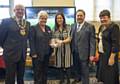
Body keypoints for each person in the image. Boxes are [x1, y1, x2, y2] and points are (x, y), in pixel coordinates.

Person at [0, 4, 30, 84]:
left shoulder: (27, 23)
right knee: (10, 77)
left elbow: (26, 38)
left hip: (22, 55)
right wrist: (8, 47)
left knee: (21, 77)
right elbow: (1, 38)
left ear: (24, 12)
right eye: (18, 9)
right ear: (14, 10)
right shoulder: (6, 21)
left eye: (22, 10)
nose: (20, 11)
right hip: (10, 54)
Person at [70, 9, 96, 84]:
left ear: (84, 16)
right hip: (74, 52)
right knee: (76, 68)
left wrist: (92, 54)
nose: (79, 17)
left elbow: (92, 42)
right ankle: (78, 79)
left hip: (85, 53)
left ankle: (85, 82)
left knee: (85, 71)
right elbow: (71, 38)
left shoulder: (90, 26)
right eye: (78, 15)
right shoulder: (73, 25)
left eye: (81, 15)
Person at [96, 9, 119, 84]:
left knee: (110, 76)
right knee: (103, 75)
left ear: (109, 17)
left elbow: (116, 44)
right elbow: (100, 40)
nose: (102, 19)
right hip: (102, 54)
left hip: (110, 55)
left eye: (104, 17)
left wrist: (112, 57)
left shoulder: (114, 27)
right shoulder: (101, 27)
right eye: (101, 18)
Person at [29, 11, 53, 84]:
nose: (43, 20)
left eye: (45, 18)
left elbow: (50, 40)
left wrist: (53, 44)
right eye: (42, 18)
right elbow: (31, 41)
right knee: (37, 73)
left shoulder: (48, 28)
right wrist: (33, 53)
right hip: (37, 55)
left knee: (45, 71)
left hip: (46, 54)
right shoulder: (33, 28)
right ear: (38, 18)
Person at [50, 12, 72, 84]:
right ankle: (61, 79)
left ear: (63, 19)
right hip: (58, 51)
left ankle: (68, 80)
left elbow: (70, 39)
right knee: (59, 66)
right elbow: (53, 39)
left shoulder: (68, 27)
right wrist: (53, 44)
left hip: (67, 50)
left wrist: (61, 42)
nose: (59, 19)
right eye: (57, 18)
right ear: (56, 19)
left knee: (67, 65)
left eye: (60, 18)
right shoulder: (54, 28)